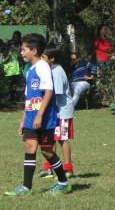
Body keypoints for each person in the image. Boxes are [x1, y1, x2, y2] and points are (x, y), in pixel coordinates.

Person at [4, 34, 71, 196]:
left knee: (47, 151)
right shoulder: (30, 70)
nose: (22, 53)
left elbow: (49, 91)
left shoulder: (42, 66)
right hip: (30, 117)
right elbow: (29, 98)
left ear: (33, 51)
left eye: (24, 50)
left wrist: (40, 115)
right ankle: (26, 187)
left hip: (44, 118)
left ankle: (63, 182)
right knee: (30, 147)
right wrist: (23, 120)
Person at [38, 47, 76, 179]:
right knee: (51, 138)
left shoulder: (57, 71)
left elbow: (56, 93)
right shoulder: (50, 70)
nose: (41, 60)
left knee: (61, 139)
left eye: (43, 57)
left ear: (52, 59)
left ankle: (68, 168)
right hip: (55, 111)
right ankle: (49, 168)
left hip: (62, 111)